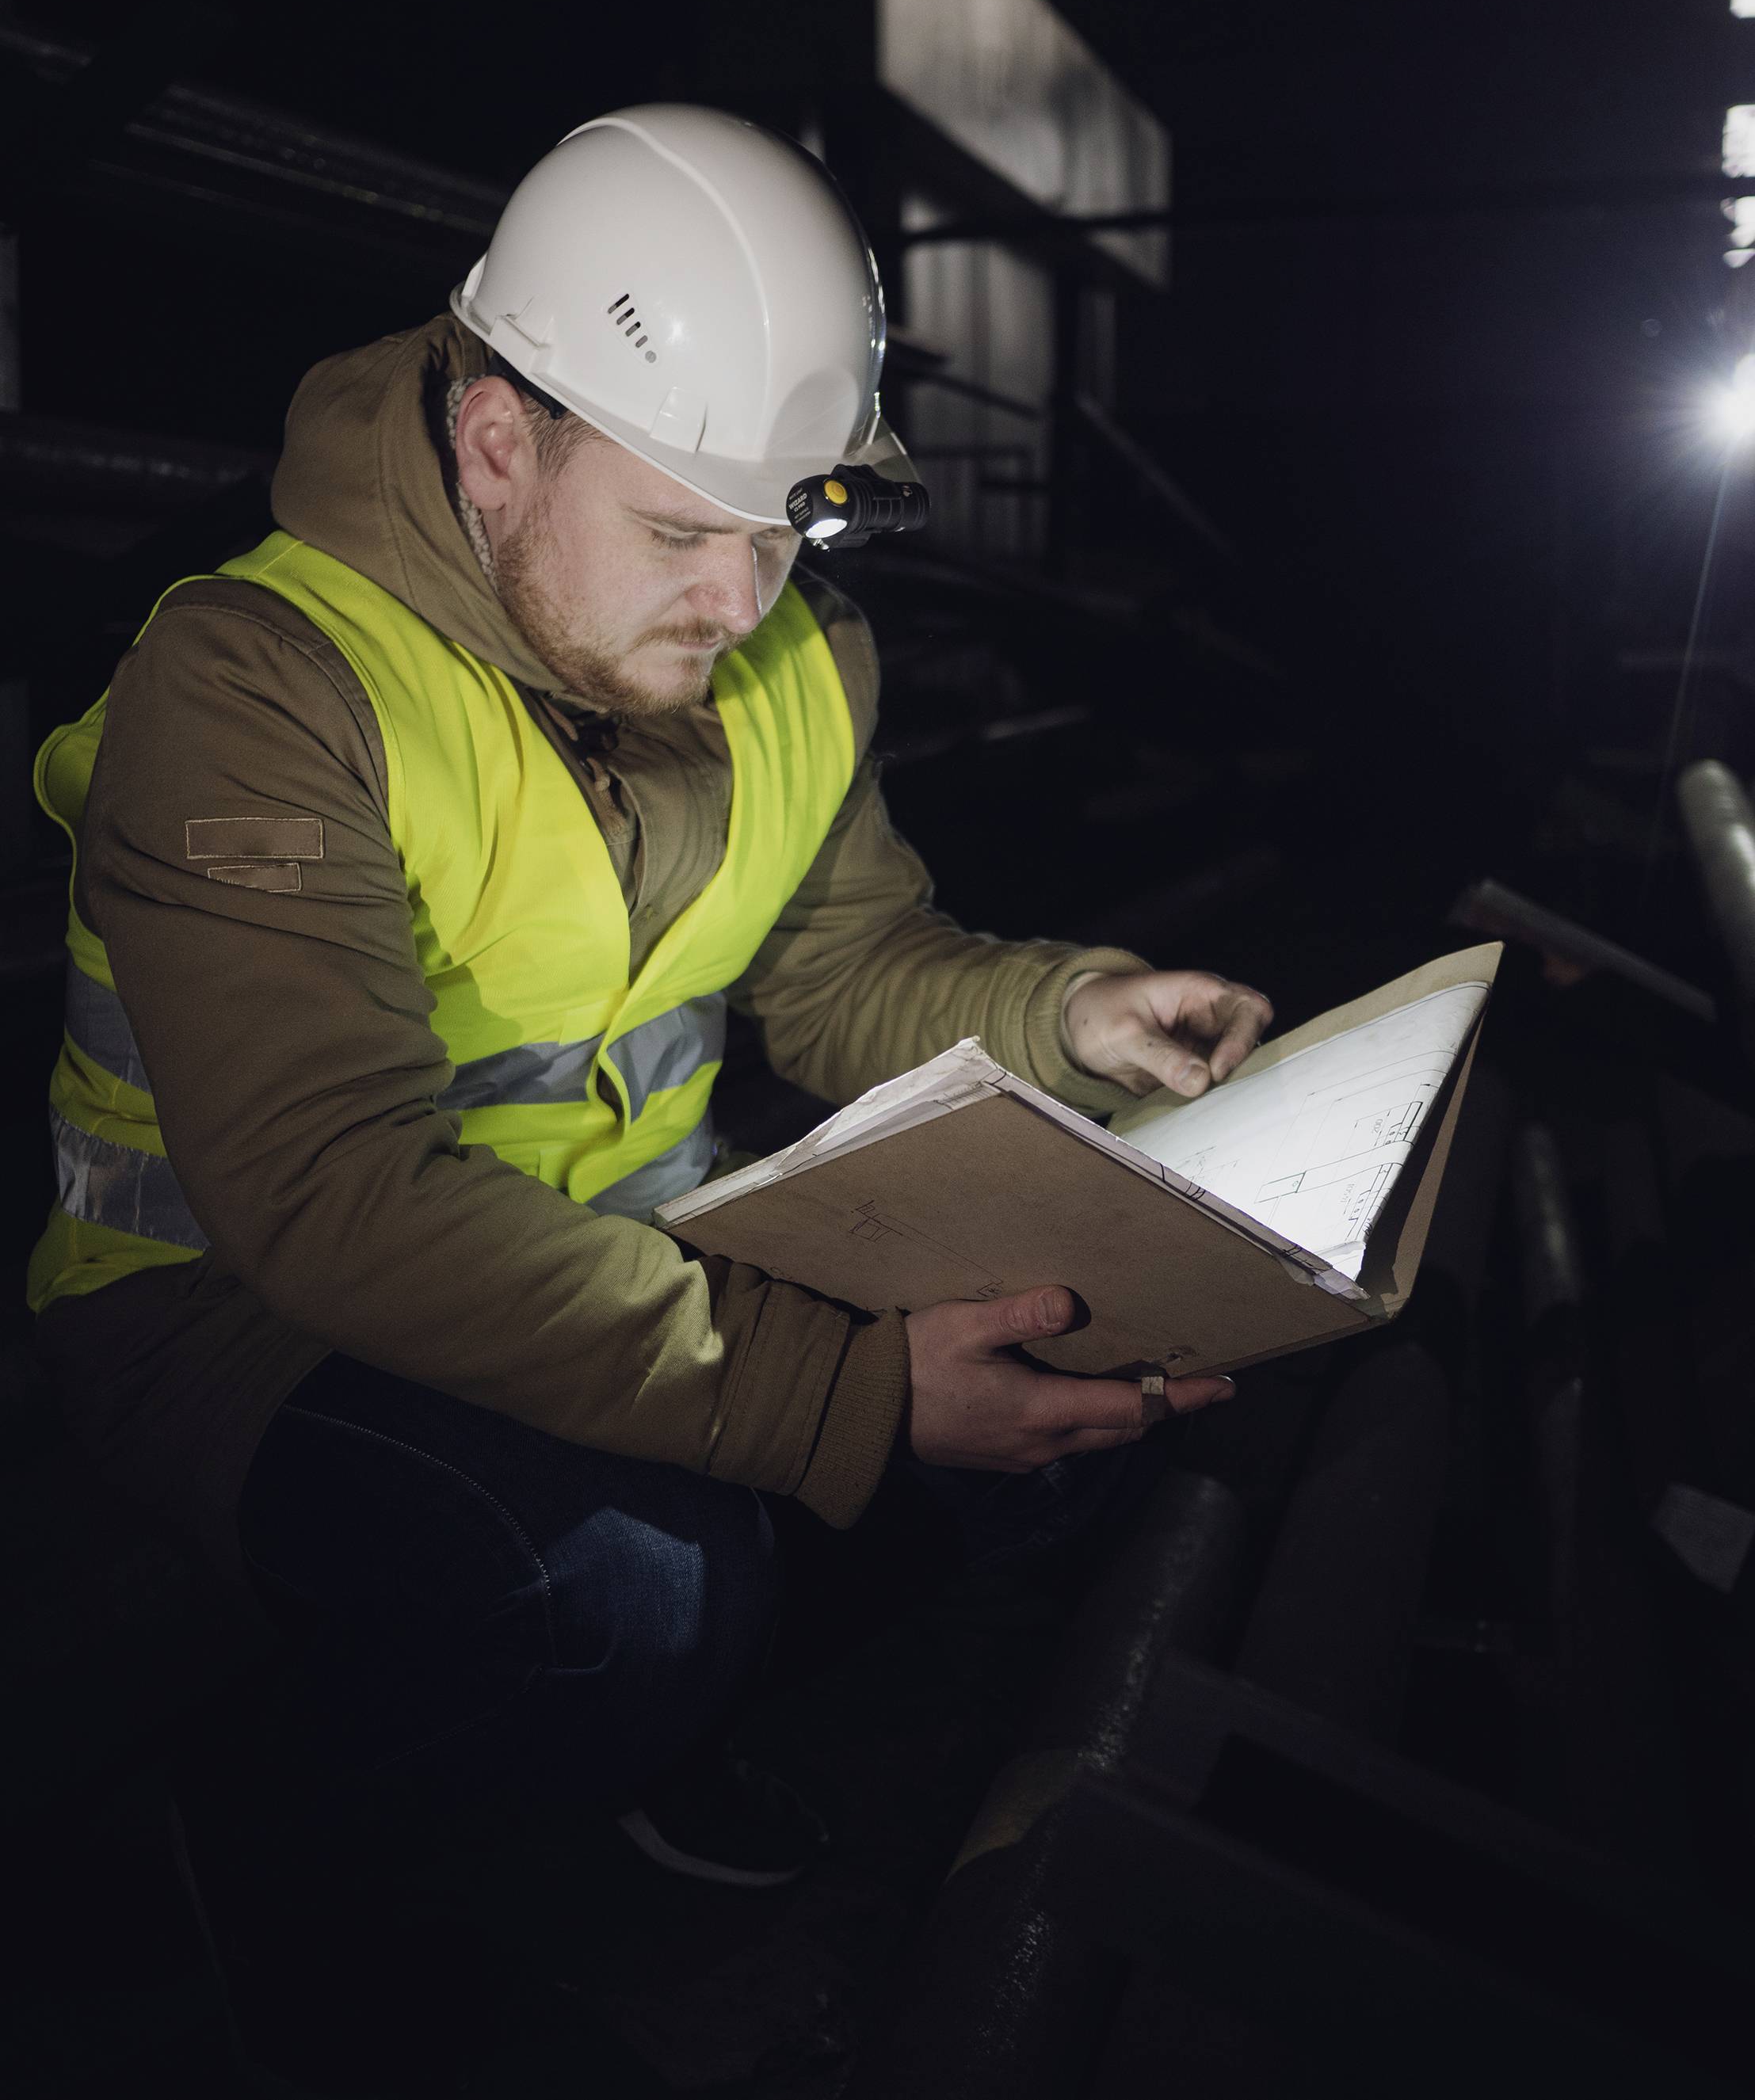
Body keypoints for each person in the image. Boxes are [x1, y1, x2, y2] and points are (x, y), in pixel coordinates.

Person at [28, 105, 1268, 1887]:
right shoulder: (257, 680)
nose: (737, 595)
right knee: (631, 1595)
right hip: (241, 1315)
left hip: (630, 1253)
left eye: (778, 533)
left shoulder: (786, 651)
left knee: (1072, 1395)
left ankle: (625, 1731)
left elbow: (847, 973)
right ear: (495, 441)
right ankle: (227, 1886)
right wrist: (844, 1394)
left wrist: (1065, 1015)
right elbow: (327, 1194)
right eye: (684, 529)